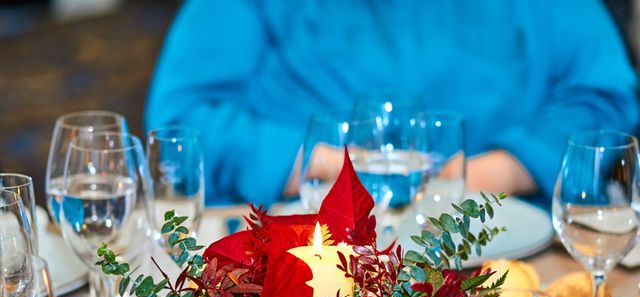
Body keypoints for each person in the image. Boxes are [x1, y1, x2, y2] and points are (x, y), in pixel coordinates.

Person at [145, 0, 639, 206]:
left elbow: (603, 98)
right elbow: (181, 121)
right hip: (298, 253)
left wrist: (500, 172)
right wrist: (325, 167)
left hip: (505, 252)